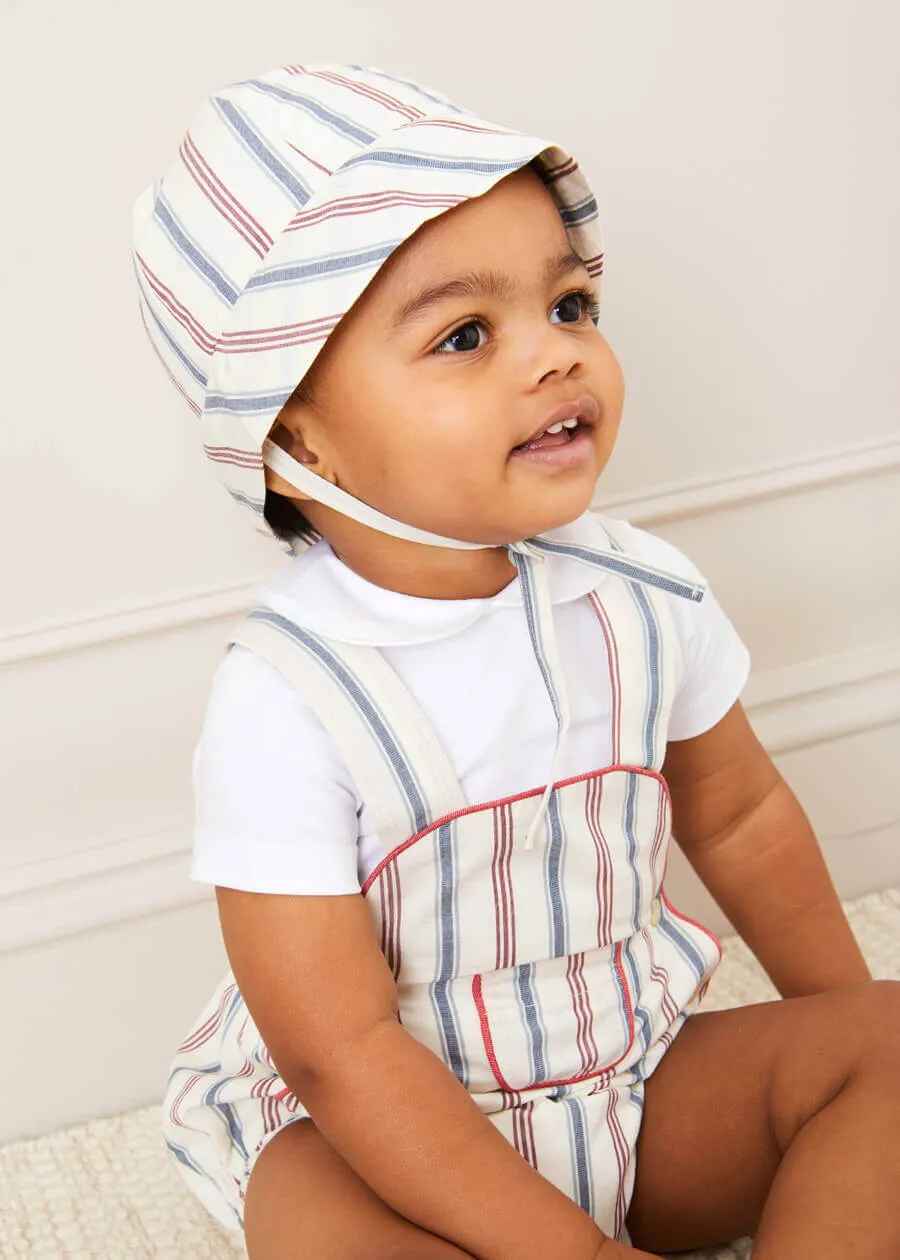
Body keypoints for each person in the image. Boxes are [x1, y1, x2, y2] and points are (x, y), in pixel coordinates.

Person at [132, 63, 899, 1260]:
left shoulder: (643, 594)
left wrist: (838, 1050)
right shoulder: (287, 700)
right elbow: (339, 1049)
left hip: (625, 1076)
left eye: (571, 307)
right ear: (295, 437)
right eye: (467, 334)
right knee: (312, 1225)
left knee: (893, 1044)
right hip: (384, 1143)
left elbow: (742, 815)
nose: (554, 356)